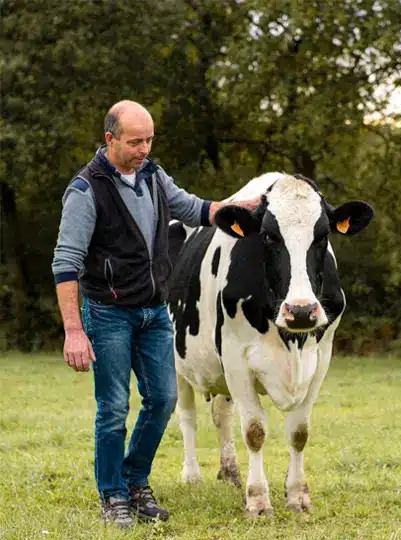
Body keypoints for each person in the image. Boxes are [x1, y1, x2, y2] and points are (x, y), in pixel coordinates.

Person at [52, 100, 259, 528]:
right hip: (108, 314)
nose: (144, 148)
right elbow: (65, 262)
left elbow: (194, 209)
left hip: (154, 312)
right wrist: (74, 330)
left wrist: (242, 206)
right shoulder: (86, 190)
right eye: (134, 142)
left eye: (148, 139)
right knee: (112, 408)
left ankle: (134, 482)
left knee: (163, 400)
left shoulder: (152, 176)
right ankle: (112, 495)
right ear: (110, 139)